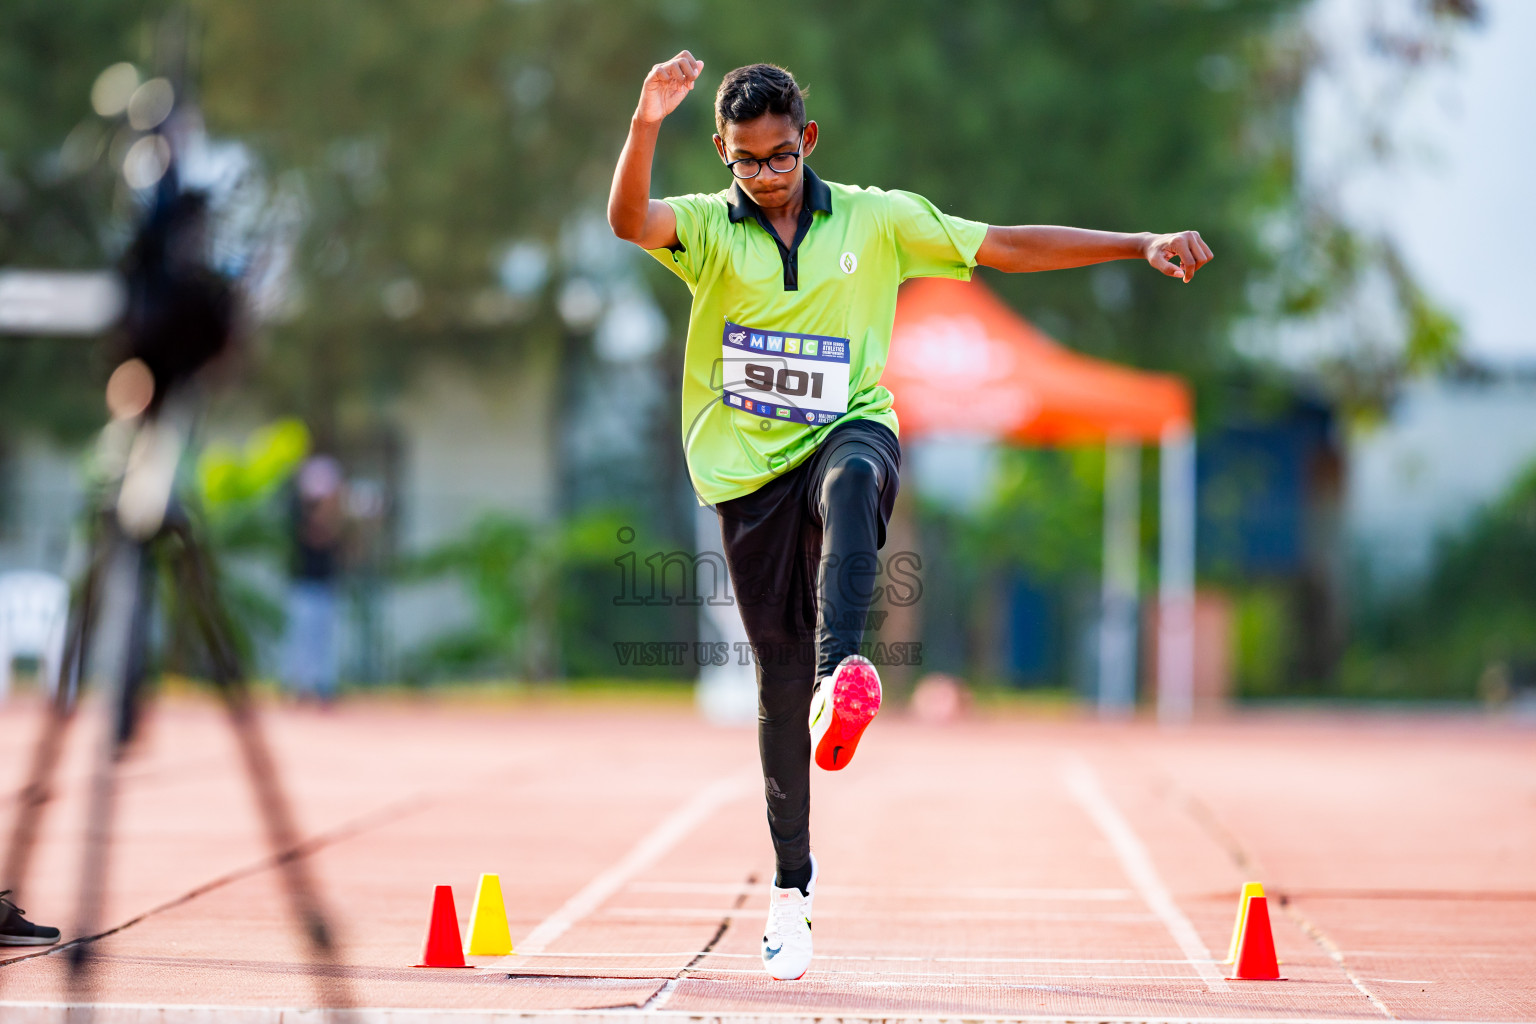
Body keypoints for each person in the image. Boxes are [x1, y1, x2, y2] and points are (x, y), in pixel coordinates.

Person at [607, 54, 1212, 981]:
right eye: (744, 162)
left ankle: (839, 669)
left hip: (848, 425)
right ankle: (792, 891)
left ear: (807, 141)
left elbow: (1005, 244)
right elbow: (626, 220)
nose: (764, 179)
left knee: (854, 478)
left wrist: (1136, 244)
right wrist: (647, 122)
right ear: (724, 154)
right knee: (770, 683)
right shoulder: (707, 229)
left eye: (778, 158)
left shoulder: (877, 219)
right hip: (742, 473)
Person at [282, 453, 347, 705]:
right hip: (303, 583)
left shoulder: (336, 514)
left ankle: (322, 685)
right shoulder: (298, 512)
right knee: (302, 637)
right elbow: (316, 535)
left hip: (327, 582)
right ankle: (299, 685)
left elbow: (342, 541)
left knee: (325, 637)